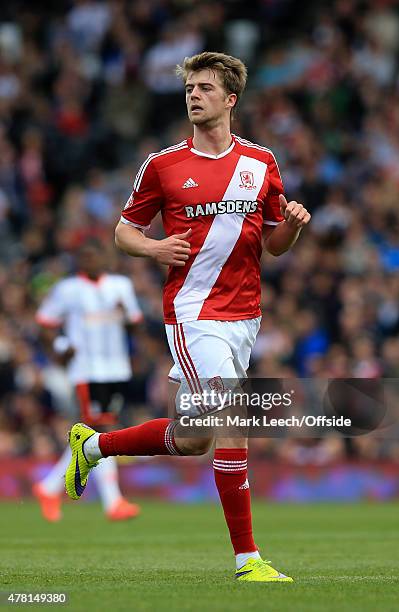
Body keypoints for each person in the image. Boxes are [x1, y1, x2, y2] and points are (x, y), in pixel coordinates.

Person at [65, 52, 310, 580]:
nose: (194, 95)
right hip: (193, 313)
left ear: (231, 99)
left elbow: (275, 246)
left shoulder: (261, 163)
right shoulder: (163, 165)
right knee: (233, 416)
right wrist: (153, 250)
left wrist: (291, 224)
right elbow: (124, 232)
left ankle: (95, 445)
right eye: (190, 88)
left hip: (244, 316)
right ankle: (248, 560)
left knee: (196, 436)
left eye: (205, 87)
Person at [33, 240, 142, 522]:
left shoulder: (121, 285)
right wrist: (60, 346)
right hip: (86, 370)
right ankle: (113, 502)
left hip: (117, 368)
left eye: (95, 256)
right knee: (101, 429)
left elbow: (135, 322)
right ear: (79, 261)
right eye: (85, 257)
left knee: (95, 433)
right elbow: (45, 322)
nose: (90, 261)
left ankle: (49, 486)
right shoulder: (68, 289)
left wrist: (124, 314)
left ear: (105, 258)